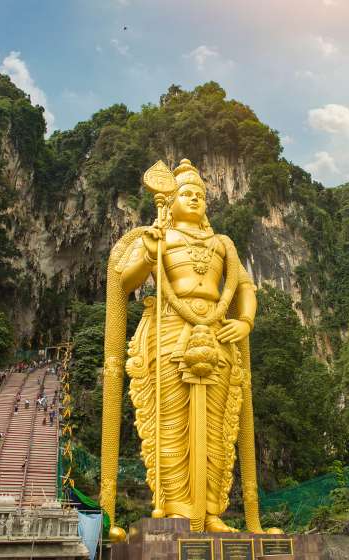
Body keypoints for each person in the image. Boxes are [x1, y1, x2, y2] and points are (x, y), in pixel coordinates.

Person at [99, 159, 268, 536]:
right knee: (170, 422)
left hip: (218, 333)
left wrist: (244, 321)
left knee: (217, 425)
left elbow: (243, 289)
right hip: (170, 330)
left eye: (200, 195)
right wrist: (147, 251)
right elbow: (124, 283)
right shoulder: (158, 238)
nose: (194, 199)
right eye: (186, 194)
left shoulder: (222, 243)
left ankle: (210, 512)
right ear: (169, 200)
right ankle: (176, 508)